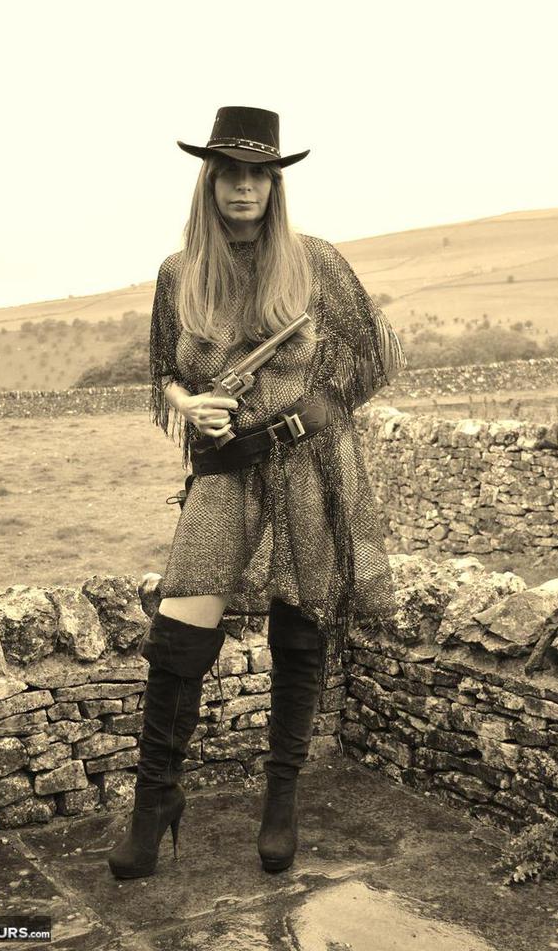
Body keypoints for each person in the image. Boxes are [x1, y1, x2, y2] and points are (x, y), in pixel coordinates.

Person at [108, 106, 407, 880]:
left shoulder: (314, 261)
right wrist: (187, 405)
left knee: (300, 630)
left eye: (258, 174)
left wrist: (311, 410)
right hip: (223, 469)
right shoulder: (179, 272)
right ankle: (155, 801)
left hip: (310, 465)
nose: (244, 187)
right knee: (179, 633)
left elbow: (376, 355)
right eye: (230, 174)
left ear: (274, 184)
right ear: (209, 182)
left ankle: (281, 799)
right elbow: (162, 370)